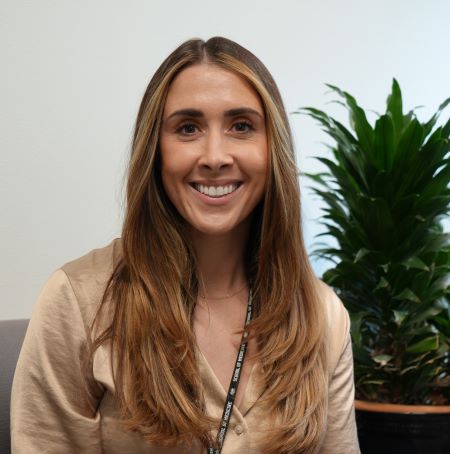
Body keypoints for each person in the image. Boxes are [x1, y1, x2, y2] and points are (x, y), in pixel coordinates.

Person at [11, 37, 360, 454]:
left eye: (242, 126)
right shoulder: (78, 300)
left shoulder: (322, 315)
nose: (215, 156)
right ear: (155, 151)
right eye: (188, 128)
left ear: (273, 149)